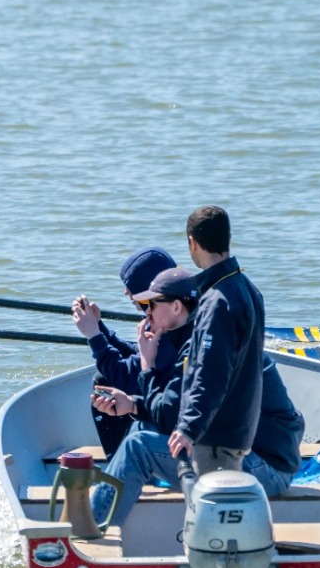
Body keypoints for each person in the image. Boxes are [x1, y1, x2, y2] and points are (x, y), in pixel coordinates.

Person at [89, 264, 303, 526]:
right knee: (140, 427)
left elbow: (170, 417)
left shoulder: (201, 347)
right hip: (242, 454)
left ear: (177, 307)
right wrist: (133, 404)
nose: (146, 314)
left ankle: (90, 531)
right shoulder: (196, 337)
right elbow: (181, 409)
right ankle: (125, 504)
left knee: (138, 448)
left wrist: (147, 365)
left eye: (152, 305)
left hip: (265, 468)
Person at [166, 205, 265, 487]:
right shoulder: (247, 289)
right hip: (237, 431)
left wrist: (187, 428)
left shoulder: (217, 302)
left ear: (192, 243)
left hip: (215, 439)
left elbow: (210, 374)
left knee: (213, 520)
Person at [71, 247, 176, 456]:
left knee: (105, 384)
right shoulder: (166, 313)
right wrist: (100, 328)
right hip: (164, 406)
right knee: (103, 379)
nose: (125, 293)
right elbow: (137, 354)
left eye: (130, 290)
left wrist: (93, 336)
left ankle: (120, 466)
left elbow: (124, 376)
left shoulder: (171, 328)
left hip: (171, 419)